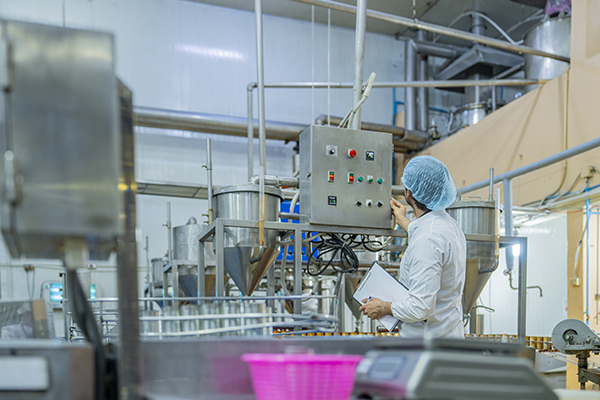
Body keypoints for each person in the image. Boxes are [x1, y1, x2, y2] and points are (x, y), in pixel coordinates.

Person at [359, 155, 466, 338]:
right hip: (447, 335)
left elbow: (420, 308)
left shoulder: (428, 239)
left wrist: (383, 307)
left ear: (409, 193)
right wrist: (404, 221)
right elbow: (429, 238)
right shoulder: (448, 225)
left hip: (427, 344)